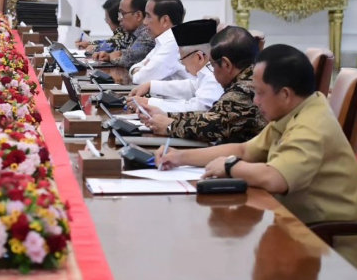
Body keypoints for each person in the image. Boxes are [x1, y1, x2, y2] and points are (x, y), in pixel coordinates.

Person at [155, 44, 357, 267]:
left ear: (286, 94)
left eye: (260, 93)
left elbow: (275, 178)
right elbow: (243, 150)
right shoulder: (294, 112)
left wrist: (230, 166)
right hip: (296, 226)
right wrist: (179, 158)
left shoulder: (311, 126)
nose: (255, 101)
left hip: (332, 249)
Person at [143, 26, 267, 144]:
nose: (212, 71)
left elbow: (210, 126)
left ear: (226, 64)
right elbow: (212, 115)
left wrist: (169, 126)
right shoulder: (251, 77)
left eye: (212, 65)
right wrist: (167, 115)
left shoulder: (243, 91)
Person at [129, 19, 224, 113]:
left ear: (199, 57)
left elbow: (198, 108)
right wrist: (150, 85)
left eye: (182, 59)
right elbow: (191, 86)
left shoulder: (215, 76)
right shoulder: (207, 71)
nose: (183, 66)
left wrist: (149, 102)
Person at [129, 0, 191, 84]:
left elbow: (141, 79)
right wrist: (139, 69)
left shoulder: (173, 43)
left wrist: (140, 70)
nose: (145, 22)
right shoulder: (164, 40)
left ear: (165, 20)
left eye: (148, 16)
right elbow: (135, 68)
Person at [93, 0, 155, 68]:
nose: (119, 19)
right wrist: (110, 55)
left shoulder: (147, 35)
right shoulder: (136, 34)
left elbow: (126, 60)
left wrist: (112, 57)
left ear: (138, 15)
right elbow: (129, 53)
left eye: (123, 14)